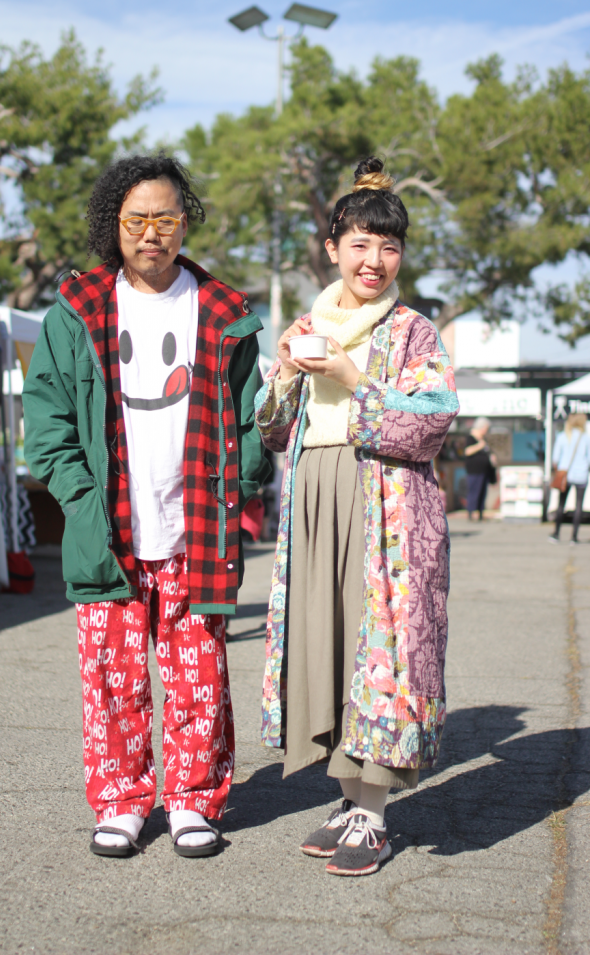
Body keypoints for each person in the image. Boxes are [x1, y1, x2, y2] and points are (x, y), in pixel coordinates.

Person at [23, 153, 269, 858]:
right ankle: (122, 801)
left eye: (165, 217)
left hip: (196, 527)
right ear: (114, 224)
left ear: (184, 220)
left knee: (198, 677)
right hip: (109, 530)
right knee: (112, 679)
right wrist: (76, 496)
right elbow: (46, 418)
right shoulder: (77, 308)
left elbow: (253, 417)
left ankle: (194, 801)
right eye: (137, 219)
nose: (151, 232)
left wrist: (240, 487)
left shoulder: (224, 312)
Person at [255, 157, 459, 877]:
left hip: (385, 506)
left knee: (382, 652)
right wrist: (282, 373)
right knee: (328, 646)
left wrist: (350, 378)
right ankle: (347, 800)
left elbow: (430, 425)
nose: (374, 260)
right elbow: (273, 431)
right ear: (333, 246)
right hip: (314, 495)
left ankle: (374, 816)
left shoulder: (413, 333)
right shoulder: (311, 320)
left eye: (389, 246)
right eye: (360, 244)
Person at [550, 412, 590, 544]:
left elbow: (555, 458)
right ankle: (574, 537)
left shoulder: (563, 436)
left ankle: (556, 534)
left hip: (565, 475)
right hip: (581, 474)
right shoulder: (585, 438)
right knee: (579, 506)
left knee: (561, 504)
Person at [463, 417, 495, 520]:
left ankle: (480, 513)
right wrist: (480, 446)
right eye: (486, 428)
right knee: (474, 492)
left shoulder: (483, 439)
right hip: (474, 471)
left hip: (484, 471)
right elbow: (467, 451)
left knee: (482, 493)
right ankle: (471, 513)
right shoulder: (470, 438)